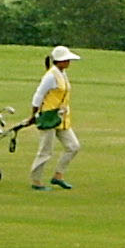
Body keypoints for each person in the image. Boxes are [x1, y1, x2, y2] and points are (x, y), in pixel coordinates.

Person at [17, 45, 81, 190]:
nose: (69, 62)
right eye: (67, 60)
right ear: (60, 61)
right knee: (45, 151)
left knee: (73, 146)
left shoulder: (62, 73)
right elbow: (38, 95)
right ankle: (36, 181)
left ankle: (58, 176)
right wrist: (33, 115)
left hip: (61, 117)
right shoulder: (51, 76)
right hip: (48, 116)